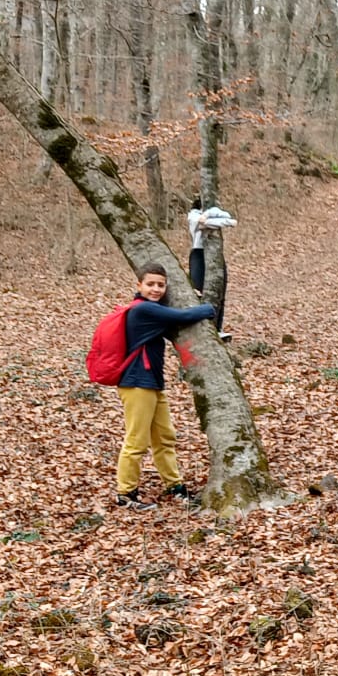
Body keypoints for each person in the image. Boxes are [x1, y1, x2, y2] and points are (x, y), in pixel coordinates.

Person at [113, 264, 215, 509]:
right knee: (137, 440)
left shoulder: (153, 311)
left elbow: (175, 322)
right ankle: (125, 494)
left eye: (161, 285)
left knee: (164, 437)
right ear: (139, 286)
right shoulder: (143, 309)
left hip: (153, 384)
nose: (156, 289)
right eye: (150, 284)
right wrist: (209, 307)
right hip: (137, 384)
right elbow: (183, 317)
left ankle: (174, 486)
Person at [186, 198, 237, 339]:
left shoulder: (212, 212)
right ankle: (199, 326)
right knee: (199, 290)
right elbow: (199, 222)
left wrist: (208, 216)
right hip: (199, 254)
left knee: (220, 289)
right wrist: (213, 221)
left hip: (215, 253)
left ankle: (217, 327)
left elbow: (229, 220)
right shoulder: (192, 215)